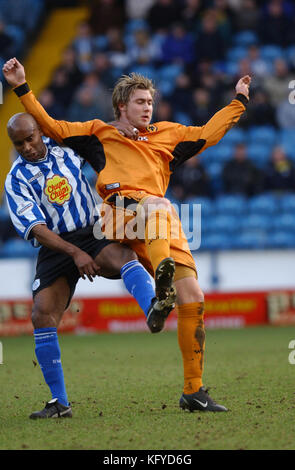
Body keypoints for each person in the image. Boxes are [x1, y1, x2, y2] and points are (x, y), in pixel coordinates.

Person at [3, 57, 251, 413]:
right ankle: (158, 284)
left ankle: (193, 391)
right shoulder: (97, 134)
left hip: (155, 223)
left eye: (150, 102)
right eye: (140, 102)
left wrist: (238, 101)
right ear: (122, 106)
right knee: (154, 207)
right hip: (117, 216)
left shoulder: (169, 135)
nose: (148, 108)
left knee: (193, 295)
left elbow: (209, 133)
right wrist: (22, 88)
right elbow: (51, 125)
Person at [4, 112, 175, 419]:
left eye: (30, 139)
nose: (26, 147)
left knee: (123, 257)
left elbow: (100, 144)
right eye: (19, 144)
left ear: (39, 133)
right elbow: (37, 229)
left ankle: (153, 307)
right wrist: (75, 254)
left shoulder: (66, 149)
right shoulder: (15, 179)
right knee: (41, 314)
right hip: (55, 245)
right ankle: (59, 402)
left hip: (93, 229)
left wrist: (121, 130)